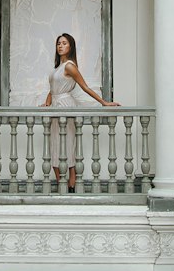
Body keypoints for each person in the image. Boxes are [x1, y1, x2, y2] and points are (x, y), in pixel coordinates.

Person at [44, 32, 118, 192]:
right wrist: (47, 103)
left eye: (64, 43)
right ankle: (60, 184)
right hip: (55, 108)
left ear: (70, 47)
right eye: (58, 43)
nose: (60, 46)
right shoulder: (57, 68)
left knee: (68, 145)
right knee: (54, 146)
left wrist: (103, 102)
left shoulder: (70, 66)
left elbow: (85, 87)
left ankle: (70, 186)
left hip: (66, 106)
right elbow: (52, 90)